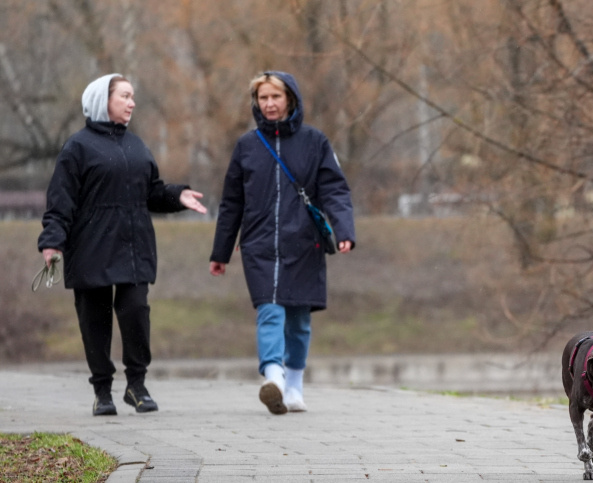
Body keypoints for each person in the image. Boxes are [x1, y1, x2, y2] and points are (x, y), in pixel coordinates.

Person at [37, 73, 208, 416]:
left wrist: (177, 195)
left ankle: (136, 385)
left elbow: (152, 193)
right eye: (125, 96)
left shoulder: (137, 146)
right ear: (104, 100)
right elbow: (60, 202)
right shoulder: (77, 147)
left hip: (134, 248)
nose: (132, 103)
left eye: (132, 97)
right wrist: (52, 242)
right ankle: (102, 391)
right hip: (91, 248)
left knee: (135, 313)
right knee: (95, 321)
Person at [209, 71, 355, 414]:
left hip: (304, 243)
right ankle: (273, 376)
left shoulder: (315, 142)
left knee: (299, 319)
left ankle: (294, 387)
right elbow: (232, 203)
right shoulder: (246, 146)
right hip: (259, 245)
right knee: (270, 309)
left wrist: (344, 230)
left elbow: (335, 190)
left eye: (276, 96)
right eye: (263, 98)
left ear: (290, 98)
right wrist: (221, 252)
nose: (269, 104)